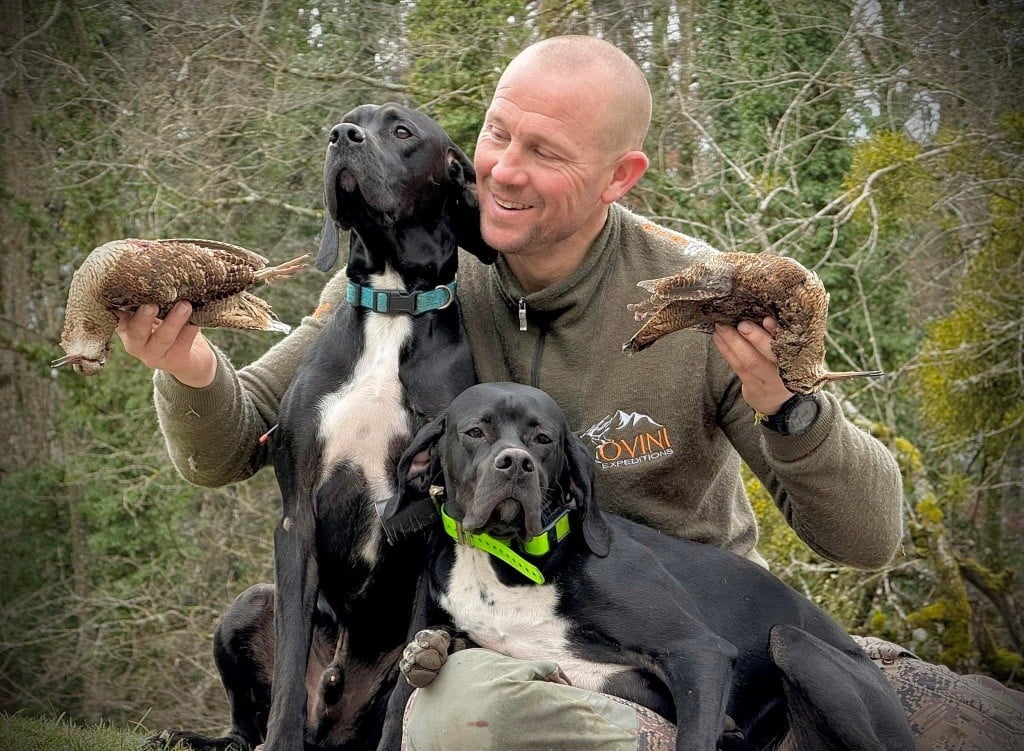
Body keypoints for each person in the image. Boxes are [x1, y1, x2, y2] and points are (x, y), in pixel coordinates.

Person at [118, 35, 1023, 751]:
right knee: (467, 718)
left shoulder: (695, 296)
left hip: (699, 633)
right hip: (519, 650)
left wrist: (791, 405)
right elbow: (234, 445)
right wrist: (189, 367)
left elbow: (868, 537)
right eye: (497, 133)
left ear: (618, 175)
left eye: (543, 151)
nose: (504, 168)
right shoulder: (409, 274)